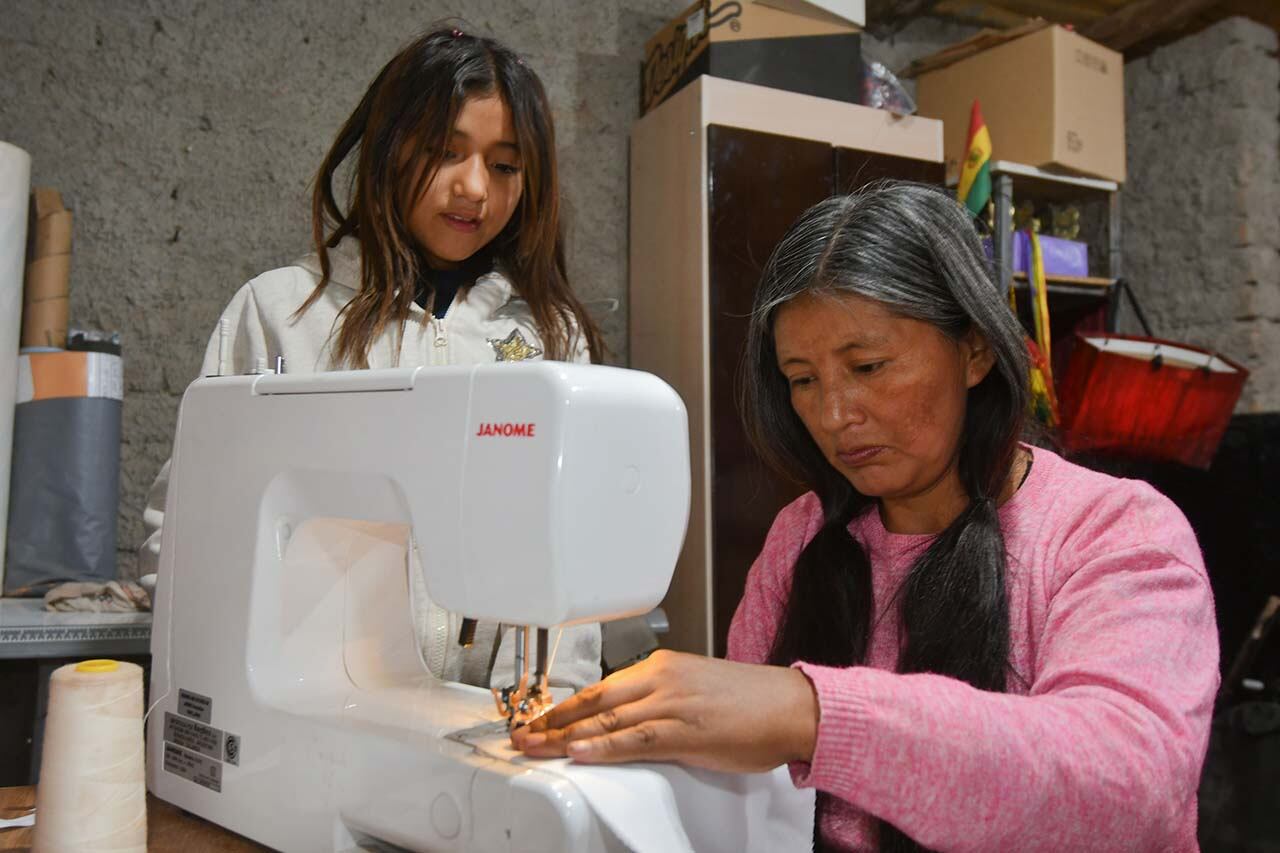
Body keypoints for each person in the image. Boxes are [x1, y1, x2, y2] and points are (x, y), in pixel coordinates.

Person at [513, 182, 1219, 852]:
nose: (834, 415)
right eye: (802, 380)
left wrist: (811, 713)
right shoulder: (802, 536)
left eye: (870, 366)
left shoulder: (1118, 532)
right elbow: (744, 798)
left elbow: (1131, 788)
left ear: (973, 348)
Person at [139, 26, 605, 693]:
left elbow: (574, 547)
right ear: (390, 148)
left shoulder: (551, 339)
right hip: (307, 717)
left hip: (486, 724)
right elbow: (184, 534)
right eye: (446, 152)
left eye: (505, 165)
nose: (475, 187)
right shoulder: (282, 311)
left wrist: (547, 700)